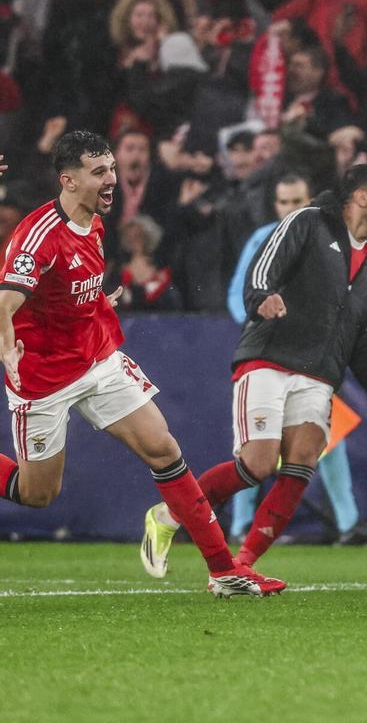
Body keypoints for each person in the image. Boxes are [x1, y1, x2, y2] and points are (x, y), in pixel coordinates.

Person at [0, 133, 282, 597]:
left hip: (97, 358)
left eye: (111, 169)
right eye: (99, 173)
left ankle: (223, 571)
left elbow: (66, 293)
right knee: (38, 494)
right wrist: (8, 349)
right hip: (43, 378)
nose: (111, 180)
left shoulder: (93, 221)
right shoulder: (37, 238)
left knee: (164, 449)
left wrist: (95, 303)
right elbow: (6, 304)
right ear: (68, 181)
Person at [140, 164, 367, 575]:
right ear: (360, 196)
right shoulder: (308, 221)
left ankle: (242, 565)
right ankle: (169, 516)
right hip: (269, 358)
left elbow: (366, 338)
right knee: (258, 463)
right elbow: (263, 267)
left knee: (302, 462)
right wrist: (262, 296)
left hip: (319, 373)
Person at [224, 174, 367, 547]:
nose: (291, 208)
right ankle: (238, 523)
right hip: (270, 353)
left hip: (313, 359)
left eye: (297, 200)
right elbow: (241, 292)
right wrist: (265, 315)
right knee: (256, 453)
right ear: (276, 205)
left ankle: (347, 522)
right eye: (284, 202)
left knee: (325, 441)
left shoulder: (329, 234)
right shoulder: (272, 235)